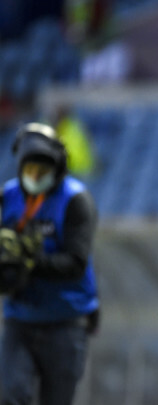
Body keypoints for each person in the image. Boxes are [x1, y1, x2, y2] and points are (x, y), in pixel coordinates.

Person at [0, 122, 99, 405]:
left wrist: (29, 262)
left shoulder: (75, 200)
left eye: (42, 170)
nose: (35, 176)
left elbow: (75, 263)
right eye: (29, 169)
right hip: (20, 318)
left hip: (66, 321)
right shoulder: (7, 196)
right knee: (12, 395)